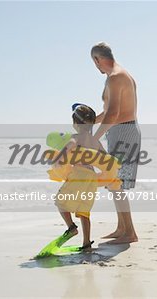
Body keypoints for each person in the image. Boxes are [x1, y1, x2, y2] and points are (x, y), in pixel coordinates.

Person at [91, 42, 140, 244]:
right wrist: (93, 121)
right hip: (120, 130)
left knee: (117, 183)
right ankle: (122, 228)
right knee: (114, 182)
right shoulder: (121, 75)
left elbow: (114, 114)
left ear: (97, 59)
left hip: (124, 131)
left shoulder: (115, 77)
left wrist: (92, 139)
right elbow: (109, 112)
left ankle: (130, 232)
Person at [54, 104, 104, 250]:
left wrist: (58, 162)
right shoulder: (95, 141)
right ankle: (86, 242)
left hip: (78, 174)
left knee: (60, 201)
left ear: (75, 124)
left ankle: (71, 227)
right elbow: (106, 158)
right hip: (91, 178)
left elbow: (68, 147)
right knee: (84, 211)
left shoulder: (75, 138)